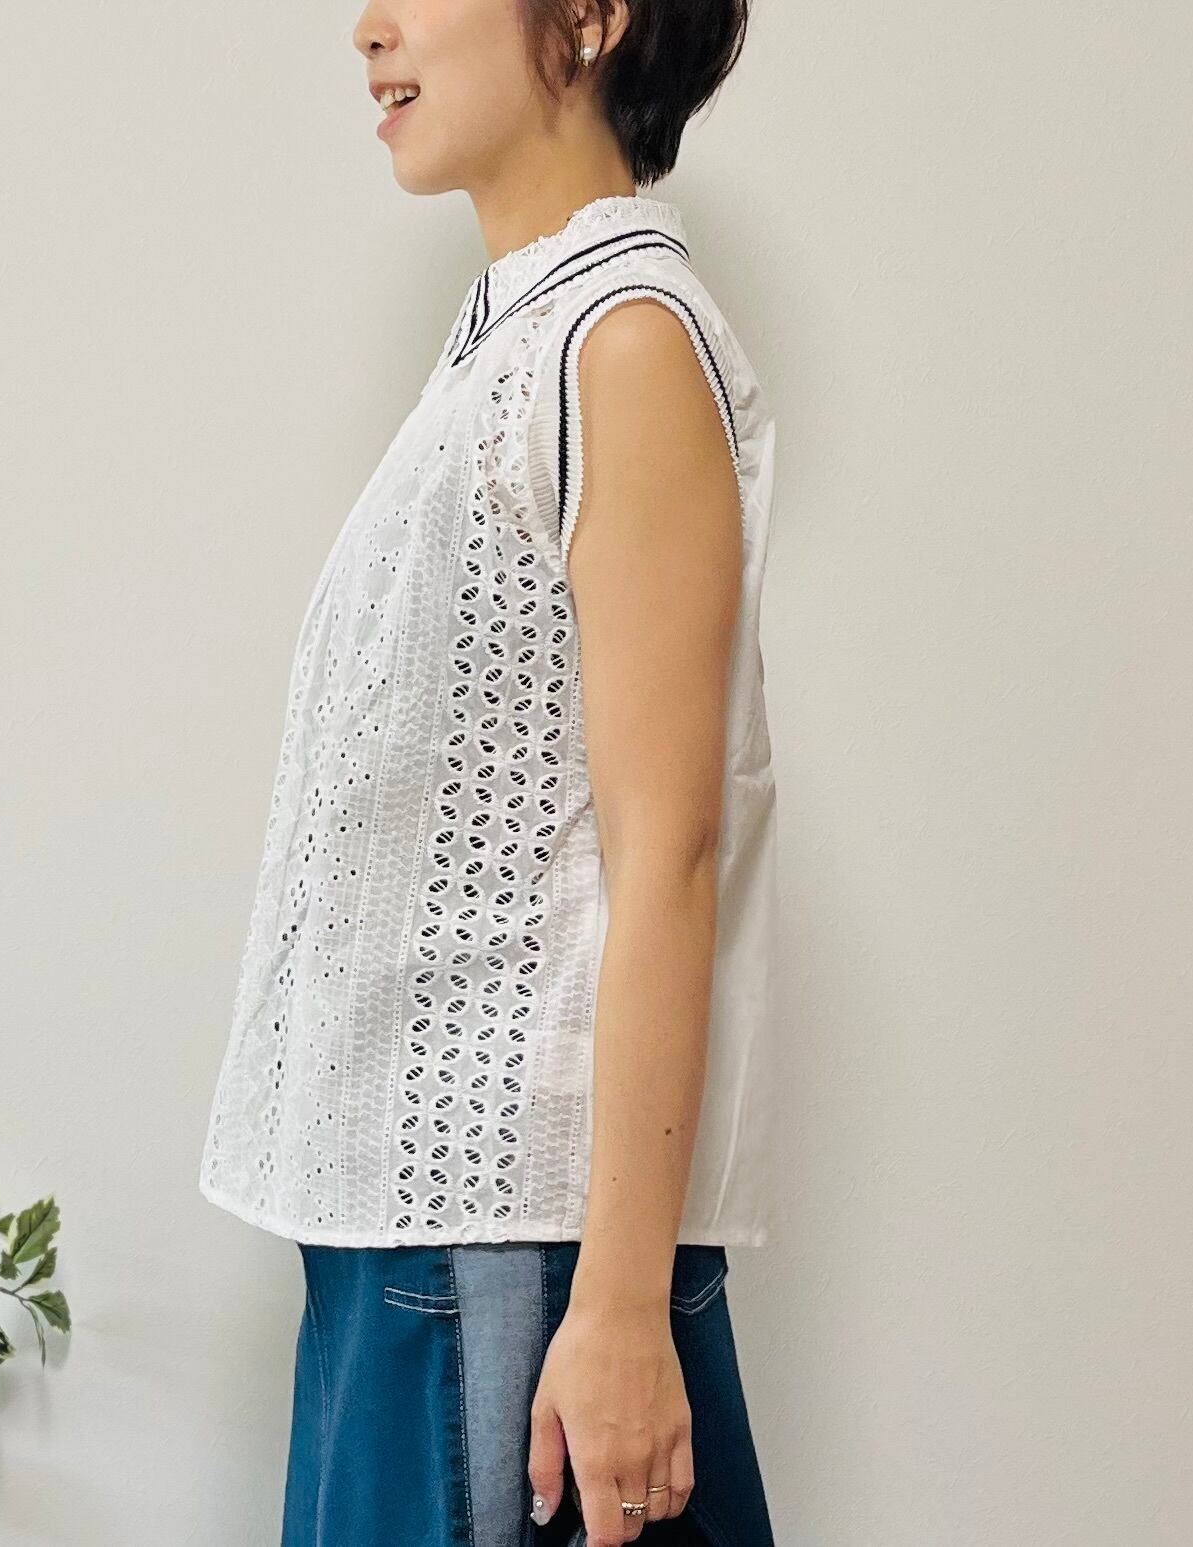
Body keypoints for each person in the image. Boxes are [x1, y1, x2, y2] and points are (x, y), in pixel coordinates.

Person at [197, 1, 781, 1542]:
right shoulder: (510, 344)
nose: (369, 27)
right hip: (418, 1254)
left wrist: (622, 1306)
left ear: (589, 17)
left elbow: (670, 850)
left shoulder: (621, 342)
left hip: (506, 1266)